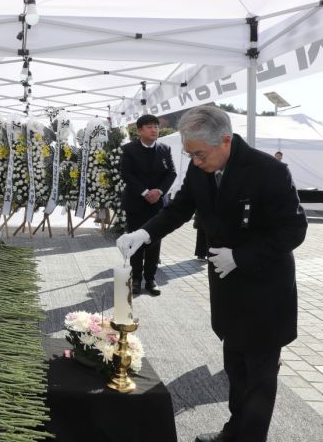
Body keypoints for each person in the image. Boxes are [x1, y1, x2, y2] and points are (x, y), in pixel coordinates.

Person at [117, 105, 307, 442]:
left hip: (266, 290)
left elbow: (294, 230)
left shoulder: (269, 170)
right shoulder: (199, 167)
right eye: (191, 155)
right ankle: (235, 431)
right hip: (227, 288)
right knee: (235, 368)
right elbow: (179, 209)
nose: (196, 162)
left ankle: (249, 438)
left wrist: (241, 257)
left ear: (225, 140)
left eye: (200, 155)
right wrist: (144, 234)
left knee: (259, 377)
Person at [120, 114, 176, 296]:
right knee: (135, 241)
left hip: (157, 203)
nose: (154, 130)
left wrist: (159, 191)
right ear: (140, 130)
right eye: (150, 126)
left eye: (156, 126)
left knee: (154, 241)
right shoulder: (129, 149)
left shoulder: (164, 148)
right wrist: (144, 192)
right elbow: (126, 174)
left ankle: (150, 279)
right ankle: (136, 278)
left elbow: (172, 173)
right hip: (136, 202)